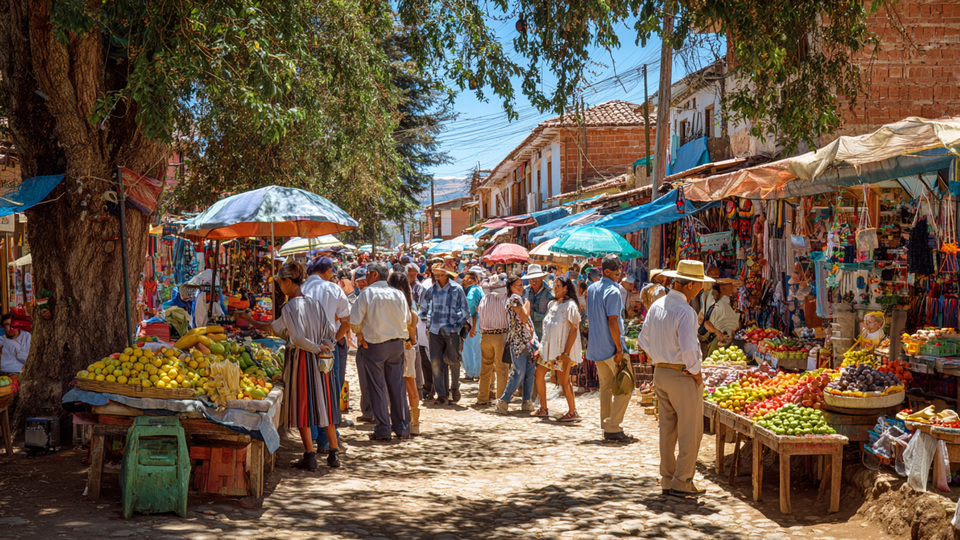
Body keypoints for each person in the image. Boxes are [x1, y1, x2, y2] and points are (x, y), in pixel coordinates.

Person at [238, 261, 340, 470]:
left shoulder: (289, 307)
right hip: (322, 361)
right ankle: (333, 454)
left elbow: (298, 339)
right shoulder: (314, 303)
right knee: (325, 404)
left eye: (280, 283)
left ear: (288, 281)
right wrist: (326, 347)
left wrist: (317, 348)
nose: (280, 288)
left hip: (302, 360)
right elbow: (329, 331)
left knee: (303, 404)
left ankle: (310, 455)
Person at [638, 259, 713, 497]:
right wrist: (697, 374)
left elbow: (643, 341)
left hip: (660, 372)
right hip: (682, 374)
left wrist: (660, 357)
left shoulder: (657, 306)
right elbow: (690, 349)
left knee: (667, 429)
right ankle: (682, 481)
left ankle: (667, 478)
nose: (701, 289)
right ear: (690, 286)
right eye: (699, 284)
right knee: (690, 431)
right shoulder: (685, 311)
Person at [350, 261, 411, 440]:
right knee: (397, 386)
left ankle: (383, 428)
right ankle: (402, 428)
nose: (365, 277)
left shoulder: (366, 294)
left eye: (367, 273)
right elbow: (407, 318)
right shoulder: (398, 294)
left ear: (375, 274)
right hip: (396, 345)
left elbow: (354, 323)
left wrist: (361, 337)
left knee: (377, 387)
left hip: (374, 345)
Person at [585, 254, 633, 441]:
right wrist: (619, 350)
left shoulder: (592, 289)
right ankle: (613, 425)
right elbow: (613, 322)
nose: (619, 275)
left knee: (605, 388)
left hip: (597, 347)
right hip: (611, 348)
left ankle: (607, 424)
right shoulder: (613, 292)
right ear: (607, 271)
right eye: (617, 271)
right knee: (626, 386)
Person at [532, 276, 582, 422]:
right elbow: (547, 328)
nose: (555, 288)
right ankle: (543, 408)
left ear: (566, 288)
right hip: (548, 350)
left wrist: (566, 353)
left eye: (558, 285)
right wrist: (541, 347)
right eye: (554, 285)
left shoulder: (571, 306)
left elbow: (574, 329)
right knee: (539, 374)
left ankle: (572, 412)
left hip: (561, 352)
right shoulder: (552, 305)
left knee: (563, 380)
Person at [419, 264, 468, 404]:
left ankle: (455, 388)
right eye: (434, 274)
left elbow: (465, 311)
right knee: (435, 362)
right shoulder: (431, 290)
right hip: (434, 331)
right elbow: (423, 309)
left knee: (454, 361)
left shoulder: (457, 289)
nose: (435, 277)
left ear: (446, 275)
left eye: (438, 274)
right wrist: (427, 322)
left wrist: (456, 327)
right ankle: (441, 395)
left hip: (451, 331)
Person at [496, 274, 537, 414]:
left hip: (528, 341)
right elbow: (524, 317)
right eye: (518, 285)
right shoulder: (514, 299)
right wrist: (527, 303)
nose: (522, 287)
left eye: (522, 285)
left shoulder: (519, 299)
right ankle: (503, 400)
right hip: (518, 342)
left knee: (529, 373)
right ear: (511, 287)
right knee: (519, 372)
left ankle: (526, 401)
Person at [389, 271, 424, 436]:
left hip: (397, 348)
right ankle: (414, 422)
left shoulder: (395, 309)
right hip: (408, 349)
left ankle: (403, 420)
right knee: (411, 384)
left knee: (398, 385)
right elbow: (413, 339)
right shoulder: (411, 312)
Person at [475, 274, 511, 406]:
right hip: (501, 335)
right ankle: (501, 399)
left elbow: (481, 318)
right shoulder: (505, 300)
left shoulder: (484, 299)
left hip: (485, 336)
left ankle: (482, 397)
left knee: (485, 368)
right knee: (502, 369)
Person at [698, 278, 741, 357]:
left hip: (729, 342)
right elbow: (704, 321)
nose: (734, 287)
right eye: (731, 285)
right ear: (722, 288)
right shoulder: (718, 304)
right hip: (719, 343)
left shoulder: (726, 301)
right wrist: (717, 332)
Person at [462, 271, 484, 381]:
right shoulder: (479, 289)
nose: (465, 281)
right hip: (479, 322)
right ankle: (477, 372)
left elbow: (472, 310)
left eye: (467, 279)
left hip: (472, 322)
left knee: (468, 348)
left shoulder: (473, 291)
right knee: (477, 348)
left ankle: (470, 373)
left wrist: (473, 326)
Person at [522, 264, 553, 339]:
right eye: (531, 279)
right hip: (528, 330)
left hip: (544, 331)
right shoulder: (526, 291)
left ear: (541, 278)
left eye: (535, 279)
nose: (533, 282)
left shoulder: (550, 292)